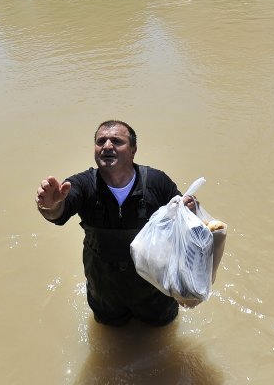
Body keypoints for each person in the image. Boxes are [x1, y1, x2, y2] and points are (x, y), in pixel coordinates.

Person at [35, 120, 196, 326]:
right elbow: (57, 212)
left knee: (160, 337)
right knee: (111, 337)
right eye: (101, 141)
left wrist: (191, 210)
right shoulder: (83, 184)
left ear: (133, 151)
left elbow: (185, 226)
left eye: (116, 141)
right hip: (104, 291)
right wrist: (49, 205)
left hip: (154, 291)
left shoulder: (157, 182)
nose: (107, 146)